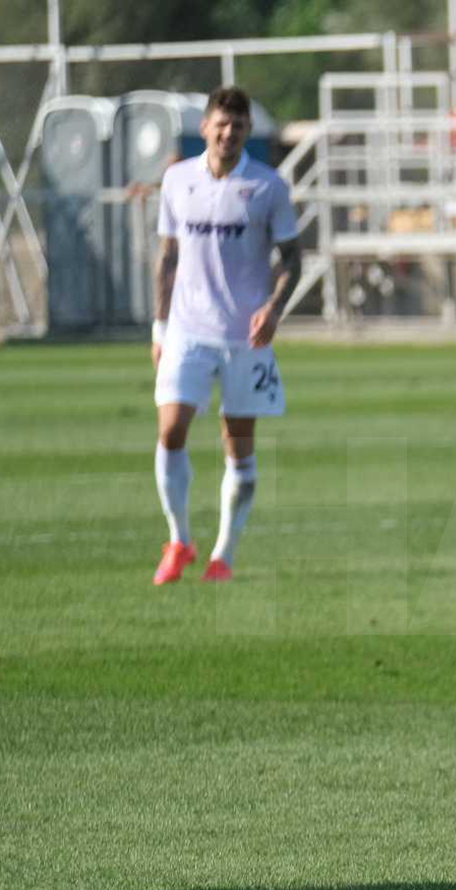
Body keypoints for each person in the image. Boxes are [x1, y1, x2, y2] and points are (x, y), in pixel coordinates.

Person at [149, 85, 300, 585]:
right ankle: (179, 540)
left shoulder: (268, 187)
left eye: (237, 125)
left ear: (247, 132)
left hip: (245, 340)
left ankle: (224, 556)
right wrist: (160, 327)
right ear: (205, 127)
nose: (228, 132)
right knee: (170, 432)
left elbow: (292, 261)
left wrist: (274, 309)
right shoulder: (176, 180)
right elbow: (167, 258)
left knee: (239, 447)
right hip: (188, 331)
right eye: (221, 123)